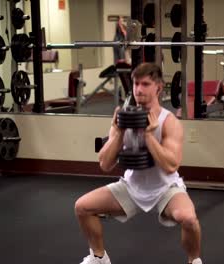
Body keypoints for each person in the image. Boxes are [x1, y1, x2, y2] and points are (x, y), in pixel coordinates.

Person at [74, 63, 202, 264]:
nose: (139, 89)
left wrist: (149, 135)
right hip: (131, 187)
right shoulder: (123, 117)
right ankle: (99, 257)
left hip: (165, 188)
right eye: (136, 83)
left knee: (189, 219)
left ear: (158, 88)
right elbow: (105, 164)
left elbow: (171, 165)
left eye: (145, 84)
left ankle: (194, 260)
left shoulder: (169, 122)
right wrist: (119, 132)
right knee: (82, 207)